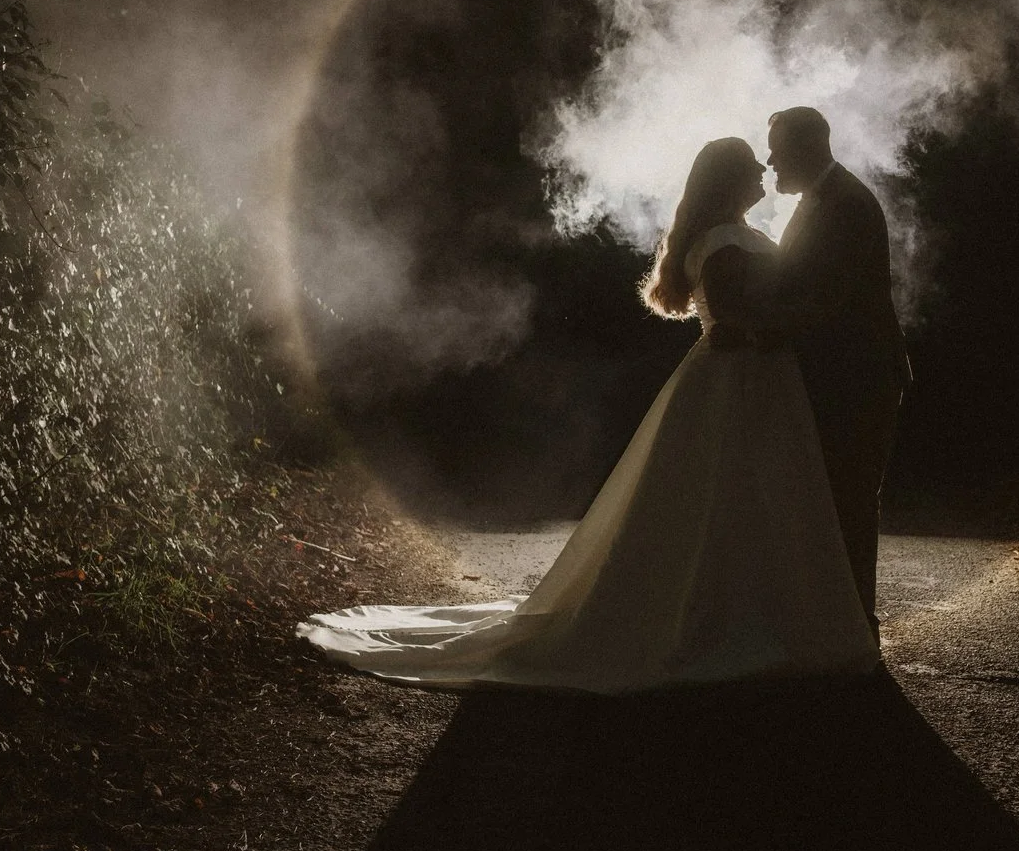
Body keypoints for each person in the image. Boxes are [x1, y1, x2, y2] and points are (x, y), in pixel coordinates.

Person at [298, 136, 878, 692]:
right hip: (738, 377)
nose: (761, 169)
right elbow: (732, 317)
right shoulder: (725, 240)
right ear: (727, 179)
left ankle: (743, 613)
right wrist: (793, 324)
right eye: (750, 162)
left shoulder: (735, 234)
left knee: (737, 496)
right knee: (726, 494)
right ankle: (727, 620)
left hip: (754, 376)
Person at [760, 107, 908, 616]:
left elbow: (826, 302)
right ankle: (838, 625)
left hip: (856, 379)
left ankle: (856, 629)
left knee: (850, 504)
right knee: (835, 504)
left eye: (778, 150)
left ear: (808, 147)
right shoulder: (825, 198)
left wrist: (755, 328)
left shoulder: (845, 205)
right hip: (842, 375)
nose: (771, 161)